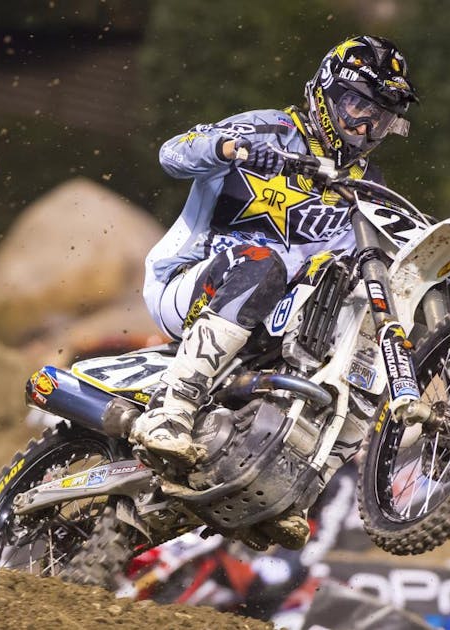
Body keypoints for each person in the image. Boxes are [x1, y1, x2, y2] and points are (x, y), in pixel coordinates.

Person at [131, 35, 418, 544]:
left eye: (380, 118)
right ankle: (171, 411)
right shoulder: (268, 129)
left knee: (367, 323)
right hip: (192, 282)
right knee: (263, 263)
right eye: (358, 107)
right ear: (327, 94)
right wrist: (230, 148)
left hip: (271, 322)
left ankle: (300, 484)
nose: (365, 127)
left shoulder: (365, 182)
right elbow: (172, 153)